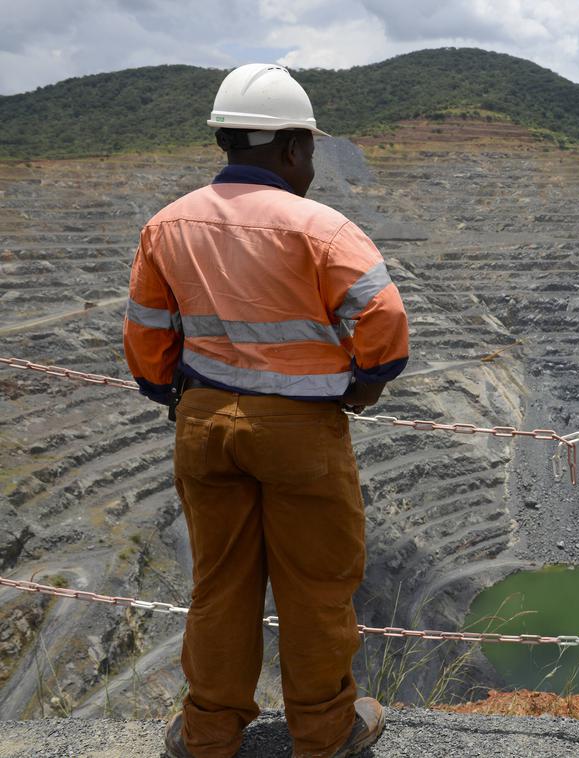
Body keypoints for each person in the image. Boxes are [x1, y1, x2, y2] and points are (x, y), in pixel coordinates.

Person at [123, 63, 408, 758]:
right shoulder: (321, 228)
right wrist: (362, 387)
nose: (310, 162)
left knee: (220, 585)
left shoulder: (168, 224)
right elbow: (384, 319)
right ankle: (324, 732)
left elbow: (147, 334)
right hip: (300, 433)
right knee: (315, 587)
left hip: (203, 426)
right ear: (290, 150)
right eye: (308, 149)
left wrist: (173, 393)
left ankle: (209, 734)